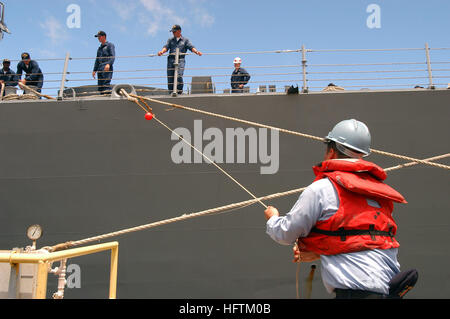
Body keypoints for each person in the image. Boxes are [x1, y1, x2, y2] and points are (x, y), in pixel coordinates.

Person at [264, 119, 415, 299]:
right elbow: (360, 242)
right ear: (362, 155)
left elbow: (286, 233)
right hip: (387, 291)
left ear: (331, 151)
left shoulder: (322, 189)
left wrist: (272, 218)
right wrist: (319, 253)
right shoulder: (380, 195)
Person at [158, 24, 202, 95]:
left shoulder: (185, 40)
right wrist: (161, 52)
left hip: (180, 59)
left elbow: (191, 47)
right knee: (170, 77)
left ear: (179, 31)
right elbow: (166, 47)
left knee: (179, 75)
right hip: (171, 60)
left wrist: (197, 52)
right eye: (172, 32)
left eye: (174, 31)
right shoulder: (170, 40)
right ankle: (171, 92)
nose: (173, 33)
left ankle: (179, 91)